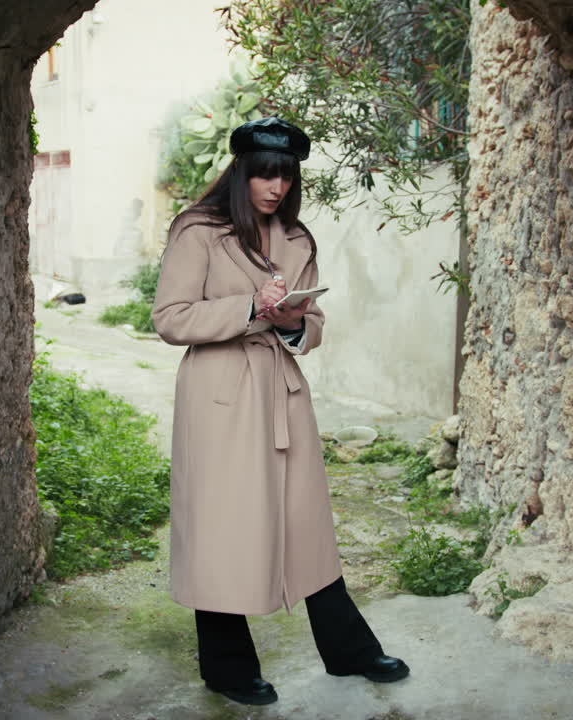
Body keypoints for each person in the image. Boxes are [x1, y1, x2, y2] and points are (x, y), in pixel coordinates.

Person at [151, 117, 410, 707]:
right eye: (266, 174)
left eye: (287, 177)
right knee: (222, 528)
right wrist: (249, 306)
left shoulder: (298, 239)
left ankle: (347, 649)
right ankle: (226, 666)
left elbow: (311, 325)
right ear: (241, 172)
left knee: (306, 522)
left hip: (282, 390)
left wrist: (294, 322)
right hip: (220, 395)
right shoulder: (198, 231)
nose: (276, 188)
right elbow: (170, 318)